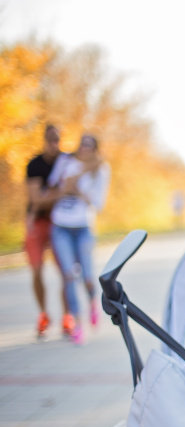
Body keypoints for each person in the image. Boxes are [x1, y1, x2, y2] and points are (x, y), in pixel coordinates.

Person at [48, 133, 111, 345]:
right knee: (68, 275)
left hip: (83, 226)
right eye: (82, 144)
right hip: (61, 225)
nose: (84, 148)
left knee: (87, 275)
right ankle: (77, 322)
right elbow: (53, 188)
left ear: (95, 149)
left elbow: (98, 204)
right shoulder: (66, 162)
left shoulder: (100, 170)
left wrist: (78, 188)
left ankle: (93, 301)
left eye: (89, 145)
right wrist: (67, 186)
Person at [24, 124, 68, 338]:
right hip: (38, 221)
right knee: (36, 269)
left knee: (66, 271)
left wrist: (48, 195)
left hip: (61, 223)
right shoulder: (35, 164)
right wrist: (61, 193)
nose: (54, 144)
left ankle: (68, 316)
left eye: (57, 139)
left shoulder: (68, 162)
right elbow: (36, 200)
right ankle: (43, 313)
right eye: (50, 139)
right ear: (44, 140)